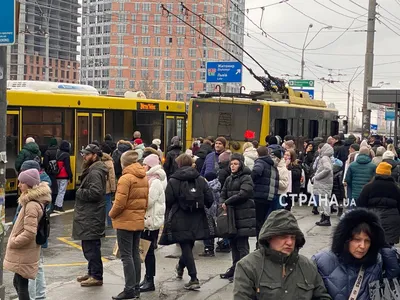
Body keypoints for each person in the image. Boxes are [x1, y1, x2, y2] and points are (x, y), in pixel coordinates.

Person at [233, 209, 331, 300]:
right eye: (283, 236)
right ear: (269, 237)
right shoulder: (247, 267)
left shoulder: (308, 266)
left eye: (292, 237)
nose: (289, 242)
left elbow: (322, 297)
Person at [312, 209, 400, 300]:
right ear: (344, 239)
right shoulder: (322, 262)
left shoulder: (377, 262)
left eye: (367, 241)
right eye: (357, 239)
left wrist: (388, 254)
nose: (362, 246)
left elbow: (390, 292)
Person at [159, 154, 214, 290]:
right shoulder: (200, 179)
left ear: (178, 164)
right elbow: (210, 199)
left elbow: (169, 200)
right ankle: (180, 267)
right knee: (188, 244)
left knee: (185, 245)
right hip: (197, 217)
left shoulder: (173, 180)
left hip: (179, 216)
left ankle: (194, 278)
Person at [4, 168, 52, 300]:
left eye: (22, 182)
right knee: (18, 283)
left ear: (29, 184)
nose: (19, 185)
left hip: (24, 251)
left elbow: (30, 233)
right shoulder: (36, 202)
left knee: (21, 284)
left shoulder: (31, 205)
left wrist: (14, 241)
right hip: (27, 251)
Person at [109, 150, 149, 299]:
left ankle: (129, 289)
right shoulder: (143, 176)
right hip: (138, 220)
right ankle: (136, 287)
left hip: (125, 221)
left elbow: (120, 203)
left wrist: (111, 214)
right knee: (134, 254)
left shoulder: (126, 178)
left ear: (123, 162)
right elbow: (146, 200)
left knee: (126, 256)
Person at [73, 144, 108, 287]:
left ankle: (96, 276)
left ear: (94, 155)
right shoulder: (94, 169)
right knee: (89, 245)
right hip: (90, 214)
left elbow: (95, 192)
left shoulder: (94, 172)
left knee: (91, 247)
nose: (84, 157)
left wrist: (79, 192)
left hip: (91, 216)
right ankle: (92, 272)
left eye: (87, 155)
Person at [219, 153, 256, 282]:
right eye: (231, 164)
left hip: (244, 216)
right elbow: (222, 193)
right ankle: (235, 268)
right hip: (232, 217)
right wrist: (222, 202)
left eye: (235, 164)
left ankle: (244, 272)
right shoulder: (230, 178)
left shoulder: (246, 178)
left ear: (241, 164)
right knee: (233, 245)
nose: (233, 166)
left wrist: (227, 202)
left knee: (242, 246)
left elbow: (244, 194)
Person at [140, 154, 166, 293]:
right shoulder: (150, 179)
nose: (143, 167)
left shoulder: (154, 181)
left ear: (150, 166)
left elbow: (148, 202)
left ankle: (150, 280)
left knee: (149, 252)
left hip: (151, 221)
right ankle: (147, 278)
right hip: (148, 219)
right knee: (147, 251)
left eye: (144, 164)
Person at [357, 162, 400, 245]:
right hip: (391, 220)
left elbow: (360, 204)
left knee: (373, 246)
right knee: (389, 248)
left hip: (373, 218)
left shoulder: (368, 187)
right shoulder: (396, 188)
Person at [251, 146, 279, 246]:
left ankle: (260, 243)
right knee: (263, 220)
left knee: (259, 222)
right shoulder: (272, 164)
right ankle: (263, 242)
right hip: (269, 196)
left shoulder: (260, 162)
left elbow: (255, 172)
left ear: (258, 154)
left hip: (259, 195)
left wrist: (250, 182)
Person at [199, 172, 221, 257]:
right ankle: (211, 247)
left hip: (208, 210)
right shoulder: (218, 186)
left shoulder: (207, 187)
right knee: (212, 229)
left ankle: (208, 248)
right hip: (215, 211)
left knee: (207, 230)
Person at [313, 143, 334, 226]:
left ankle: (326, 218)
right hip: (325, 183)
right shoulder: (327, 158)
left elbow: (327, 169)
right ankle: (323, 218)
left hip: (323, 183)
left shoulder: (324, 158)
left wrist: (317, 177)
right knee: (323, 201)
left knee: (324, 201)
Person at [53, 140, 73, 212]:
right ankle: (59, 206)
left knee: (58, 191)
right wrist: (70, 176)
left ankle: (55, 205)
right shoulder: (66, 155)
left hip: (57, 174)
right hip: (64, 175)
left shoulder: (57, 153)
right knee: (62, 191)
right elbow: (67, 167)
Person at [100, 144, 116, 227]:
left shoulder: (98, 160)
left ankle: (100, 221)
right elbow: (112, 177)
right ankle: (110, 222)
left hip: (98, 185)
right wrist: (113, 188)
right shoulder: (109, 162)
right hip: (107, 186)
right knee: (108, 203)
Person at [43, 138, 59, 208]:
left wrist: (47, 169)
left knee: (50, 185)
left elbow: (45, 163)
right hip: (57, 171)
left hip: (49, 172)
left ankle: (49, 202)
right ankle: (55, 201)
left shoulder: (47, 152)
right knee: (56, 186)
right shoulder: (59, 151)